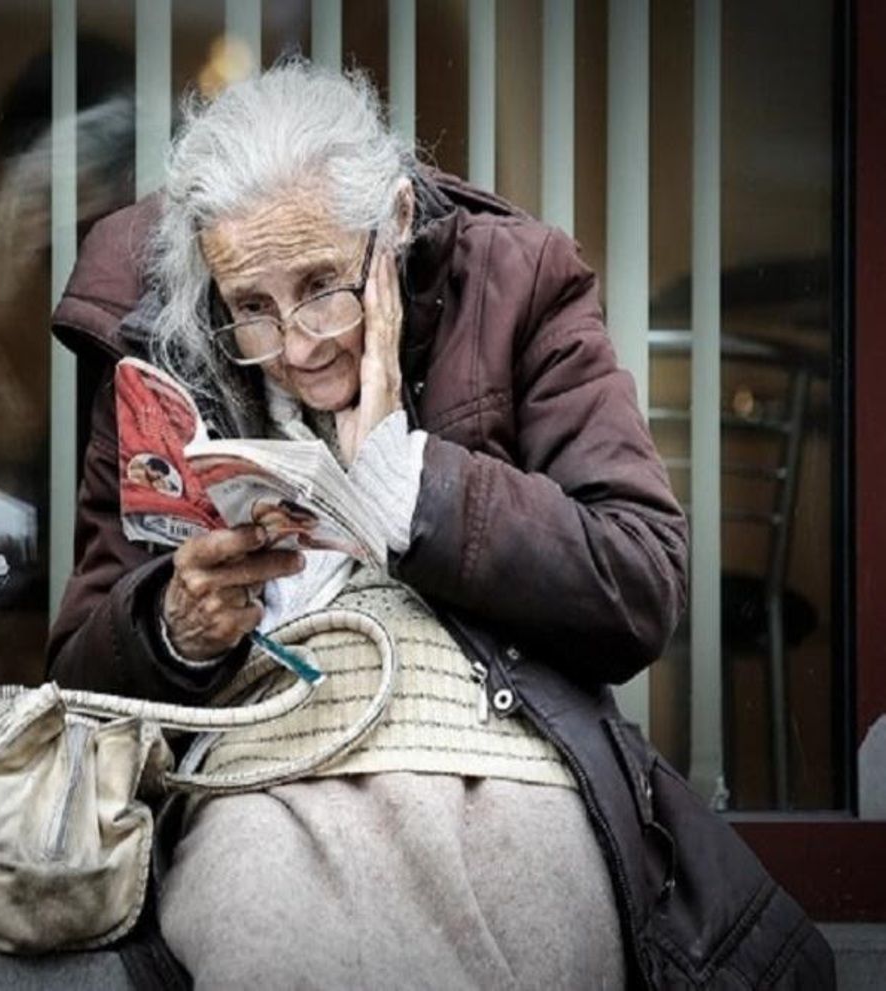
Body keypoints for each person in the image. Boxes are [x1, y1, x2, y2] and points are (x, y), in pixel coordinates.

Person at [47, 62, 832, 989]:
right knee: (261, 923)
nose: (296, 344)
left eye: (323, 286)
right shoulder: (160, 346)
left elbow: (642, 579)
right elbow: (79, 678)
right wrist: (172, 626)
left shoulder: (521, 280)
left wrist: (409, 480)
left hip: (495, 747)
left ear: (397, 226)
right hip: (263, 772)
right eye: (251, 307)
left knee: (526, 918)